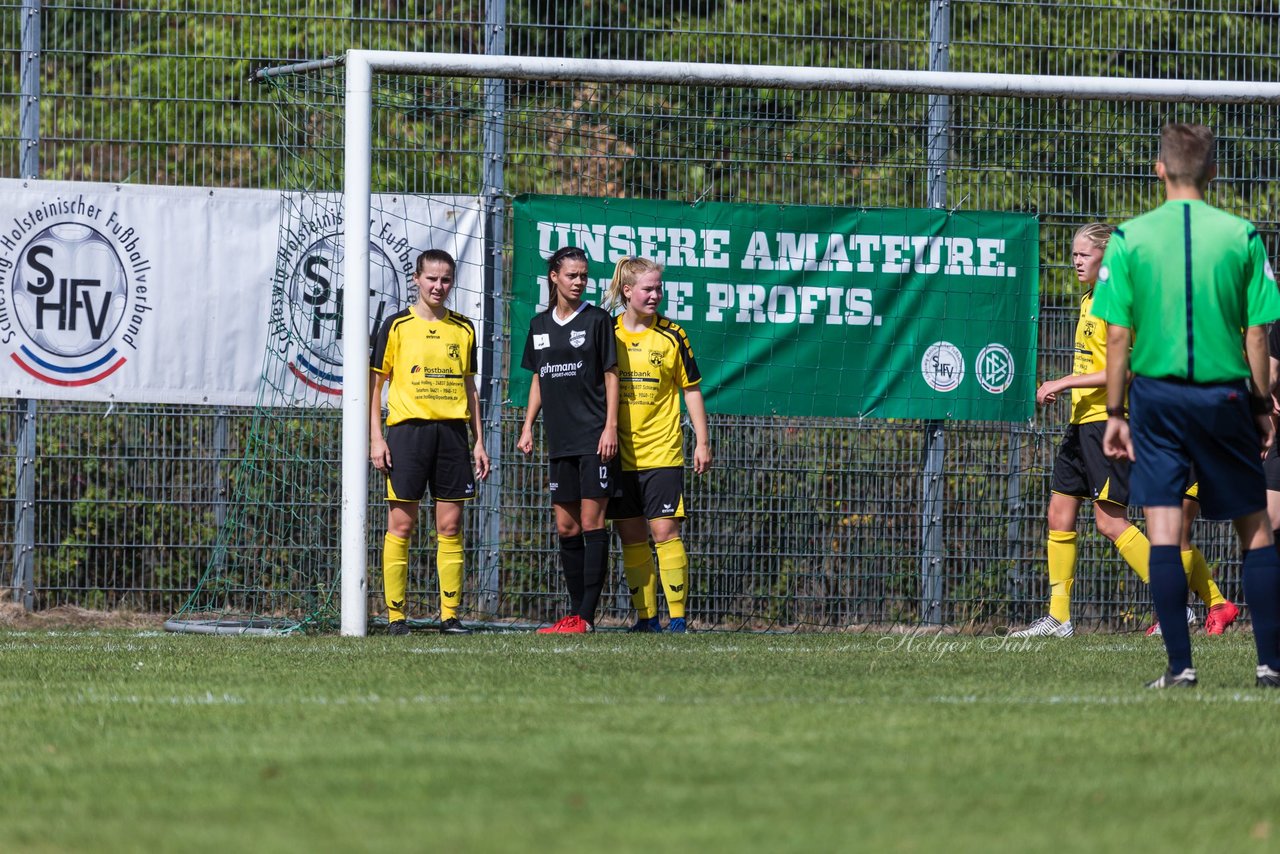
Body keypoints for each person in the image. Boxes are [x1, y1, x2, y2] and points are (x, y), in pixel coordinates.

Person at [1096, 122, 1280, 688]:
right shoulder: (1242, 235)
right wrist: (1258, 403)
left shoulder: (1129, 238)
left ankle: (1180, 666)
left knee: (1165, 528)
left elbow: (1119, 336)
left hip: (1157, 397)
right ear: (1212, 172)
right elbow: (1256, 334)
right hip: (1224, 392)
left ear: (1160, 170)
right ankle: (1270, 664)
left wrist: (1115, 412)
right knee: (1255, 525)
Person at [1011, 224, 1237, 638]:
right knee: (1059, 512)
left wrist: (1062, 383)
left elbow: (1125, 370)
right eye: (1074, 254)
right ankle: (1058, 617)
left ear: (1106, 257)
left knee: (1110, 521)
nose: (1076, 261)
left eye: (1084, 254)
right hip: (1081, 422)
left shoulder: (1120, 305)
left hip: (1107, 421)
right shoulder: (1087, 300)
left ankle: (1177, 602)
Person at [370, 249, 490, 636]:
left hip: (452, 435)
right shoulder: (396, 325)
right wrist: (376, 437)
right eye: (432, 279)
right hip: (407, 434)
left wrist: (479, 441)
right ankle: (395, 617)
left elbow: (470, 389)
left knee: (450, 526)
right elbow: (375, 387)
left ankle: (450, 616)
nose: (439, 286)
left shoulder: (465, 329)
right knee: (401, 525)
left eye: (446, 280)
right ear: (417, 280)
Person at [605, 257, 712, 633]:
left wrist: (702, 440)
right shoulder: (609, 333)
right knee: (631, 536)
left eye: (658, 288)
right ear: (627, 291)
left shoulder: (673, 335)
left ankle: (679, 617)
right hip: (617, 453)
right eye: (648, 289)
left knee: (665, 533)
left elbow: (692, 390)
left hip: (662, 453)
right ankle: (646, 618)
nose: (655, 295)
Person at [517, 246, 620, 634]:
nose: (579, 282)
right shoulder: (539, 325)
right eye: (572, 275)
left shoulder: (598, 321)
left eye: (583, 276)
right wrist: (528, 425)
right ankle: (576, 614)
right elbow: (538, 377)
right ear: (554, 277)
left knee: (593, 523)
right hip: (559, 440)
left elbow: (611, 374)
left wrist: (610, 426)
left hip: (594, 438)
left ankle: (587, 617)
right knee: (566, 527)